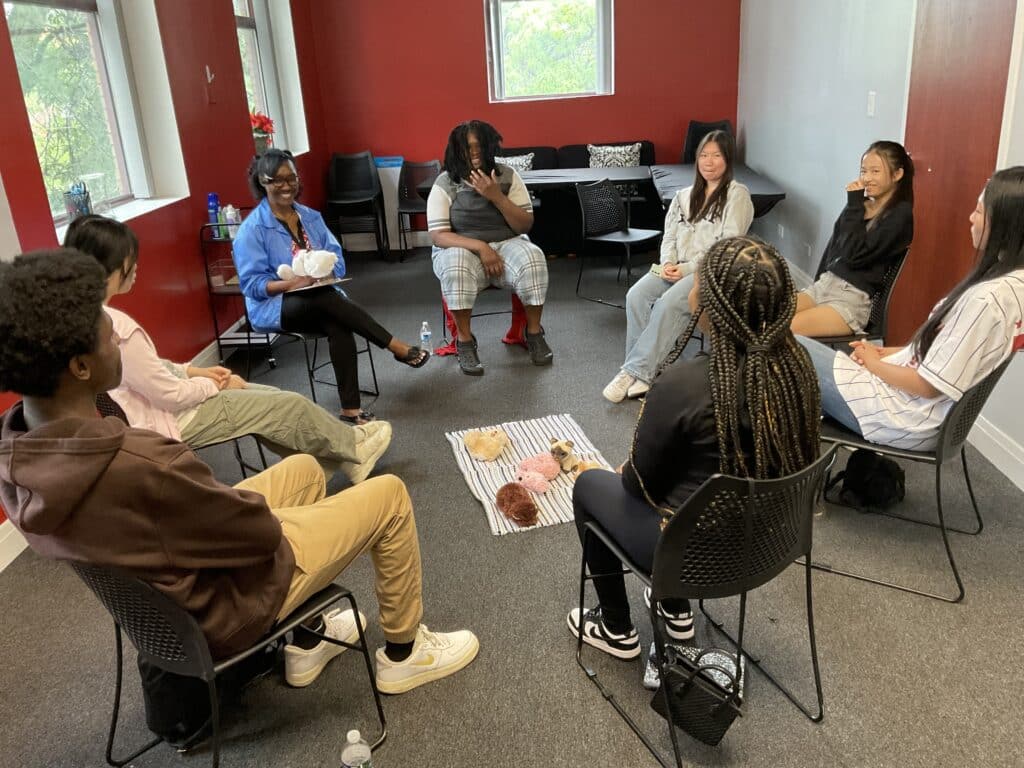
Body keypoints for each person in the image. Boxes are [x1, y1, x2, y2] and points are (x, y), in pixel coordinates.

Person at [0, 250, 479, 708]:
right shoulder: (144, 461)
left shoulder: (20, 452)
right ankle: (405, 654)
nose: (117, 341)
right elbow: (259, 534)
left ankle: (309, 640)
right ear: (80, 367)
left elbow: (197, 515)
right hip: (228, 604)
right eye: (110, 337)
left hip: (174, 590)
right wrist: (263, 516)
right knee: (389, 495)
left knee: (305, 470)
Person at [570, 236, 820, 658]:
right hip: (773, 545)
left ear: (710, 304)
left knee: (590, 486)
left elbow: (638, 487)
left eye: (695, 283)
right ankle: (674, 610)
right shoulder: (798, 370)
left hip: (693, 556)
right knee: (689, 480)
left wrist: (624, 472)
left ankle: (615, 626)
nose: (688, 291)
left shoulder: (684, 385)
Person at [64, 214, 390, 485]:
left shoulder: (85, 317)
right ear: (111, 264)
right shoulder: (118, 330)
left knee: (272, 402)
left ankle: (341, 459)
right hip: (174, 418)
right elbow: (169, 396)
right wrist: (213, 383)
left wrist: (196, 371)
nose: (135, 267)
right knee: (285, 404)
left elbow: (148, 370)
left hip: (158, 410)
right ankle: (354, 449)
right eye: (130, 260)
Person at [798, 167, 1024, 450]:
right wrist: (887, 353)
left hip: (900, 416)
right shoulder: (1011, 286)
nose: (971, 218)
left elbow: (928, 385)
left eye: (978, 212)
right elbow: (945, 352)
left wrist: (873, 363)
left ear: (1003, 225)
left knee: (779, 345)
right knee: (784, 350)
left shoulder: (988, 300)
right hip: (904, 402)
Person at [233, 149, 428, 425]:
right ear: (261, 182)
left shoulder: (310, 217)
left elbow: (336, 258)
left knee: (337, 321)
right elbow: (252, 286)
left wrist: (323, 273)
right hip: (274, 306)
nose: (286, 185)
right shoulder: (251, 230)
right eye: (277, 180)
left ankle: (351, 410)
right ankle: (395, 346)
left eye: (292, 178)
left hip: (321, 296)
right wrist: (294, 283)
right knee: (326, 301)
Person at [603, 130, 754, 403]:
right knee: (636, 295)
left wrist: (686, 270)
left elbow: (726, 246)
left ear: (728, 159)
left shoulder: (737, 194)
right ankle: (644, 370)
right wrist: (668, 263)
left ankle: (636, 371)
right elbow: (669, 235)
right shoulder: (683, 195)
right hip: (675, 266)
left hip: (709, 271)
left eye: (716, 156)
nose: (709, 162)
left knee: (669, 303)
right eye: (704, 156)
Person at [427, 119, 552, 375]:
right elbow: (439, 236)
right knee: (455, 266)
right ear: (456, 149)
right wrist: (482, 247)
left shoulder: (507, 175)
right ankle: (464, 341)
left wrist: (496, 196)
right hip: (462, 247)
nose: (473, 152)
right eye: (467, 146)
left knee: (534, 258)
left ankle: (533, 333)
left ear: (488, 146)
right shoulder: (445, 182)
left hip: (508, 242)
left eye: (478, 145)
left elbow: (525, 224)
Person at [791, 140, 914, 337]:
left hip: (850, 300)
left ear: (897, 174)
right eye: (863, 171)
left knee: (787, 329)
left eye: (875, 171)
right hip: (825, 285)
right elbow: (833, 249)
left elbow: (853, 254)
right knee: (771, 316)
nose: (866, 178)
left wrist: (854, 205)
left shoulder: (900, 215)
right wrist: (855, 207)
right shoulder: (860, 207)